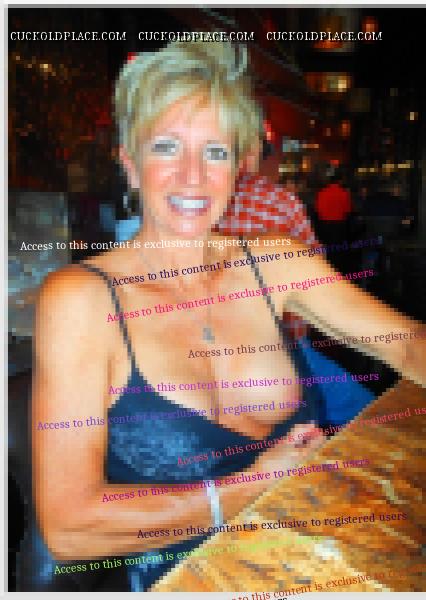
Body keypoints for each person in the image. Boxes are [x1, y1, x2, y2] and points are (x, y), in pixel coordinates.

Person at [24, 41, 425, 592]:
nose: (192, 176)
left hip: (311, 557)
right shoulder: (82, 299)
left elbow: (406, 342)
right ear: (129, 163)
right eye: (167, 147)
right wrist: (247, 489)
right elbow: (69, 530)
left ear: (238, 167)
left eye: (214, 151)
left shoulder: (277, 261)